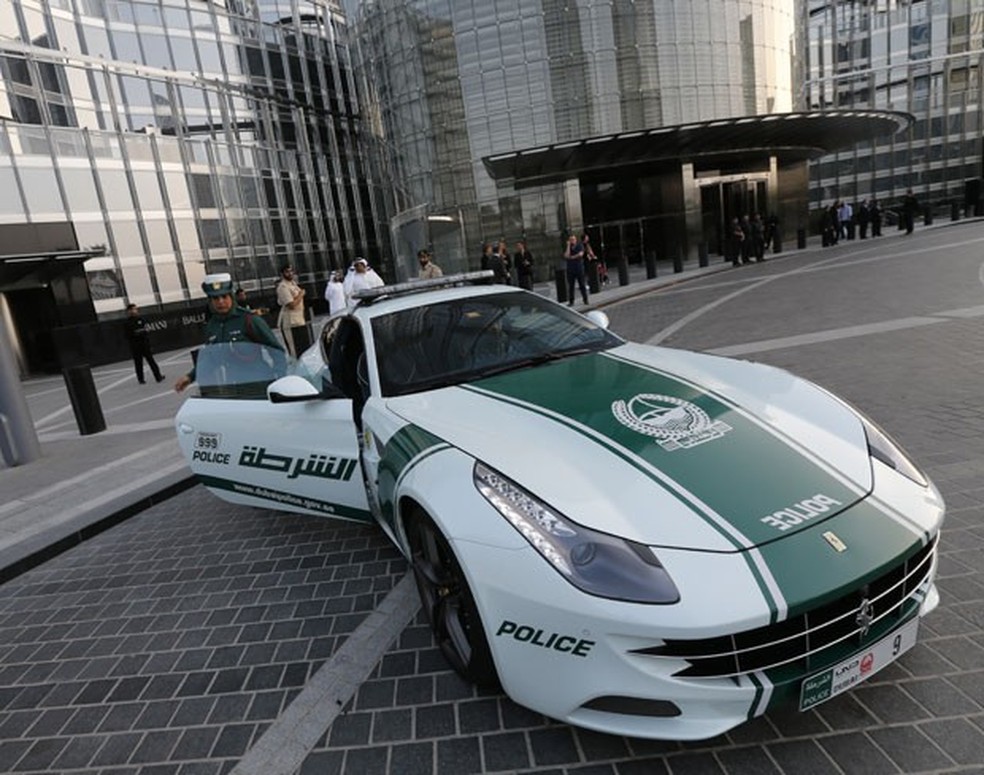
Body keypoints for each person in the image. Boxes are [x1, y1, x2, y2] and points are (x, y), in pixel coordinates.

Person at [174, 273, 283, 393]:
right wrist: (190, 377)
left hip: (260, 387)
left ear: (231, 296)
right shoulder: (212, 326)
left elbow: (277, 351)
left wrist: (279, 380)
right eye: (216, 298)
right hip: (233, 389)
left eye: (224, 296)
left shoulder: (249, 320)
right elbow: (211, 359)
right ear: (210, 301)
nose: (221, 302)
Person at [124, 303, 165, 384]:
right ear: (129, 311)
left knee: (151, 360)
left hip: (144, 344)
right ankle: (141, 379)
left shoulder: (141, 319)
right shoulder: (127, 323)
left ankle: (158, 376)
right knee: (138, 363)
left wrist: (144, 338)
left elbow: (144, 331)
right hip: (135, 345)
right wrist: (138, 333)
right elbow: (129, 334)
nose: (136, 311)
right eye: (133, 309)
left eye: (136, 309)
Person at [276, 264, 306, 357]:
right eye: (287, 272)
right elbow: (291, 305)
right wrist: (301, 294)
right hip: (290, 321)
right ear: (282, 274)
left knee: (303, 347)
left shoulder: (293, 284)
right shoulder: (283, 287)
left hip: (299, 320)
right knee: (294, 350)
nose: (290, 273)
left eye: (291, 271)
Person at [563, 233, 589, 306]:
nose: (572, 241)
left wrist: (572, 257)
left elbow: (580, 254)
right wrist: (568, 246)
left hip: (579, 268)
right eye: (571, 240)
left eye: (573, 239)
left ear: (576, 239)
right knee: (571, 286)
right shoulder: (569, 247)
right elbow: (566, 255)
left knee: (582, 285)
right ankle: (571, 301)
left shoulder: (580, 245)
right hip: (570, 269)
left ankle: (585, 299)